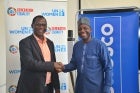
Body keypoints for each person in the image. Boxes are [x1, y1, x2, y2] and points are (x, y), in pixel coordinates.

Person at [61, 17, 113, 93]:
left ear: (90, 29)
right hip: (80, 88)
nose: (82, 31)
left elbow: (108, 67)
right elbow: (74, 64)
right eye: (80, 29)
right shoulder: (77, 46)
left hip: (96, 89)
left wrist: (107, 87)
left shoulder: (100, 46)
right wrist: (63, 67)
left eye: (85, 28)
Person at [16, 15, 61, 93]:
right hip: (31, 88)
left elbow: (54, 67)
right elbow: (30, 63)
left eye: (43, 25)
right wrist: (52, 65)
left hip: (48, 87)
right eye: (38, 24)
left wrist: (57, 87)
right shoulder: (25, 42)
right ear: (32, 26)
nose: (41, 27)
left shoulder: (50, 43)